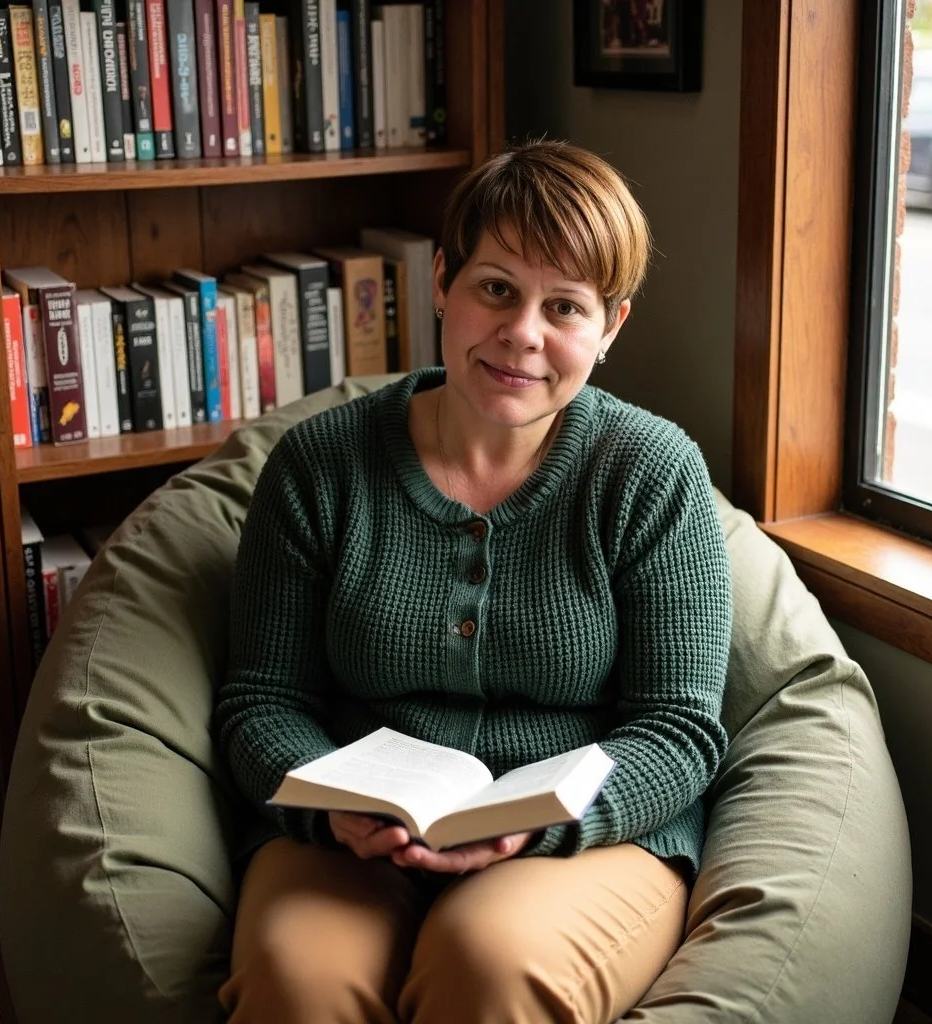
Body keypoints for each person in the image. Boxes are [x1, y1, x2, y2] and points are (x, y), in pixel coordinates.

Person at [214, 139, 732, 1024]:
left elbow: (680, 729)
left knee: (486, 962)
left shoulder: (652, 473)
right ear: (442, 281)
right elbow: (260, 699)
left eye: (564, 307)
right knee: (295, 979)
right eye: (496, 287)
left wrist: (546, 823)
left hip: (581, 840)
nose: (522, 332)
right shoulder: (318, 466)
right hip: (353, 838)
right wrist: (329, 807)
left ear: (609, 330)